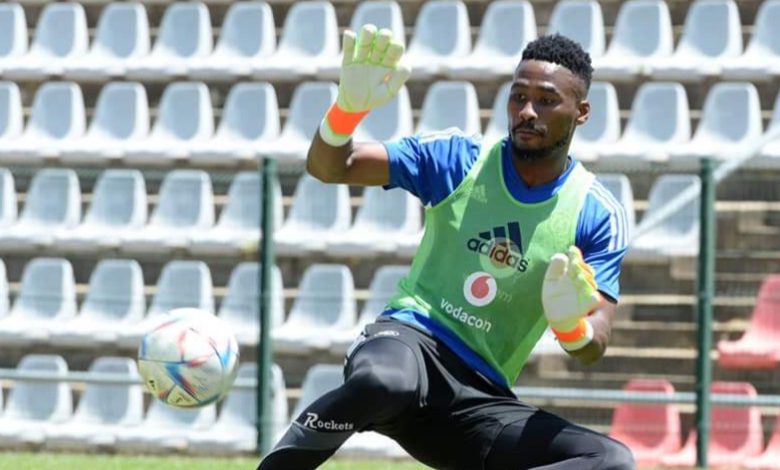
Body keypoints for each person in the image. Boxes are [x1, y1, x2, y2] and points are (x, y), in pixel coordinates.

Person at [258, 25, 635, 470]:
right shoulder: (459, 159)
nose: (527, 111)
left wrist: (571, 325)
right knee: (382, 382)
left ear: (582, 112)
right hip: (410, 344)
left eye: (547, 100)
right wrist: (345, 110)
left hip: (481, 400)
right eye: (518, 96)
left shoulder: (596, 212)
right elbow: (330, 167)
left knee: (611, 460)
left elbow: (596, 342)